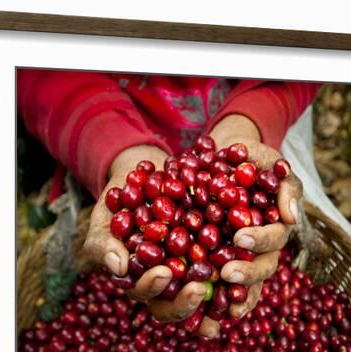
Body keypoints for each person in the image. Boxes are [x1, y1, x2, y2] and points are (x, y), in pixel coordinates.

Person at [17, 70, 321, 337]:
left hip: (252, 112)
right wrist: (118, 151)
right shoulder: (166, 208)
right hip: (99, 133)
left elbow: (308, 47)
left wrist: (249, 122)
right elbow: (36, 67)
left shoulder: (209, 196)